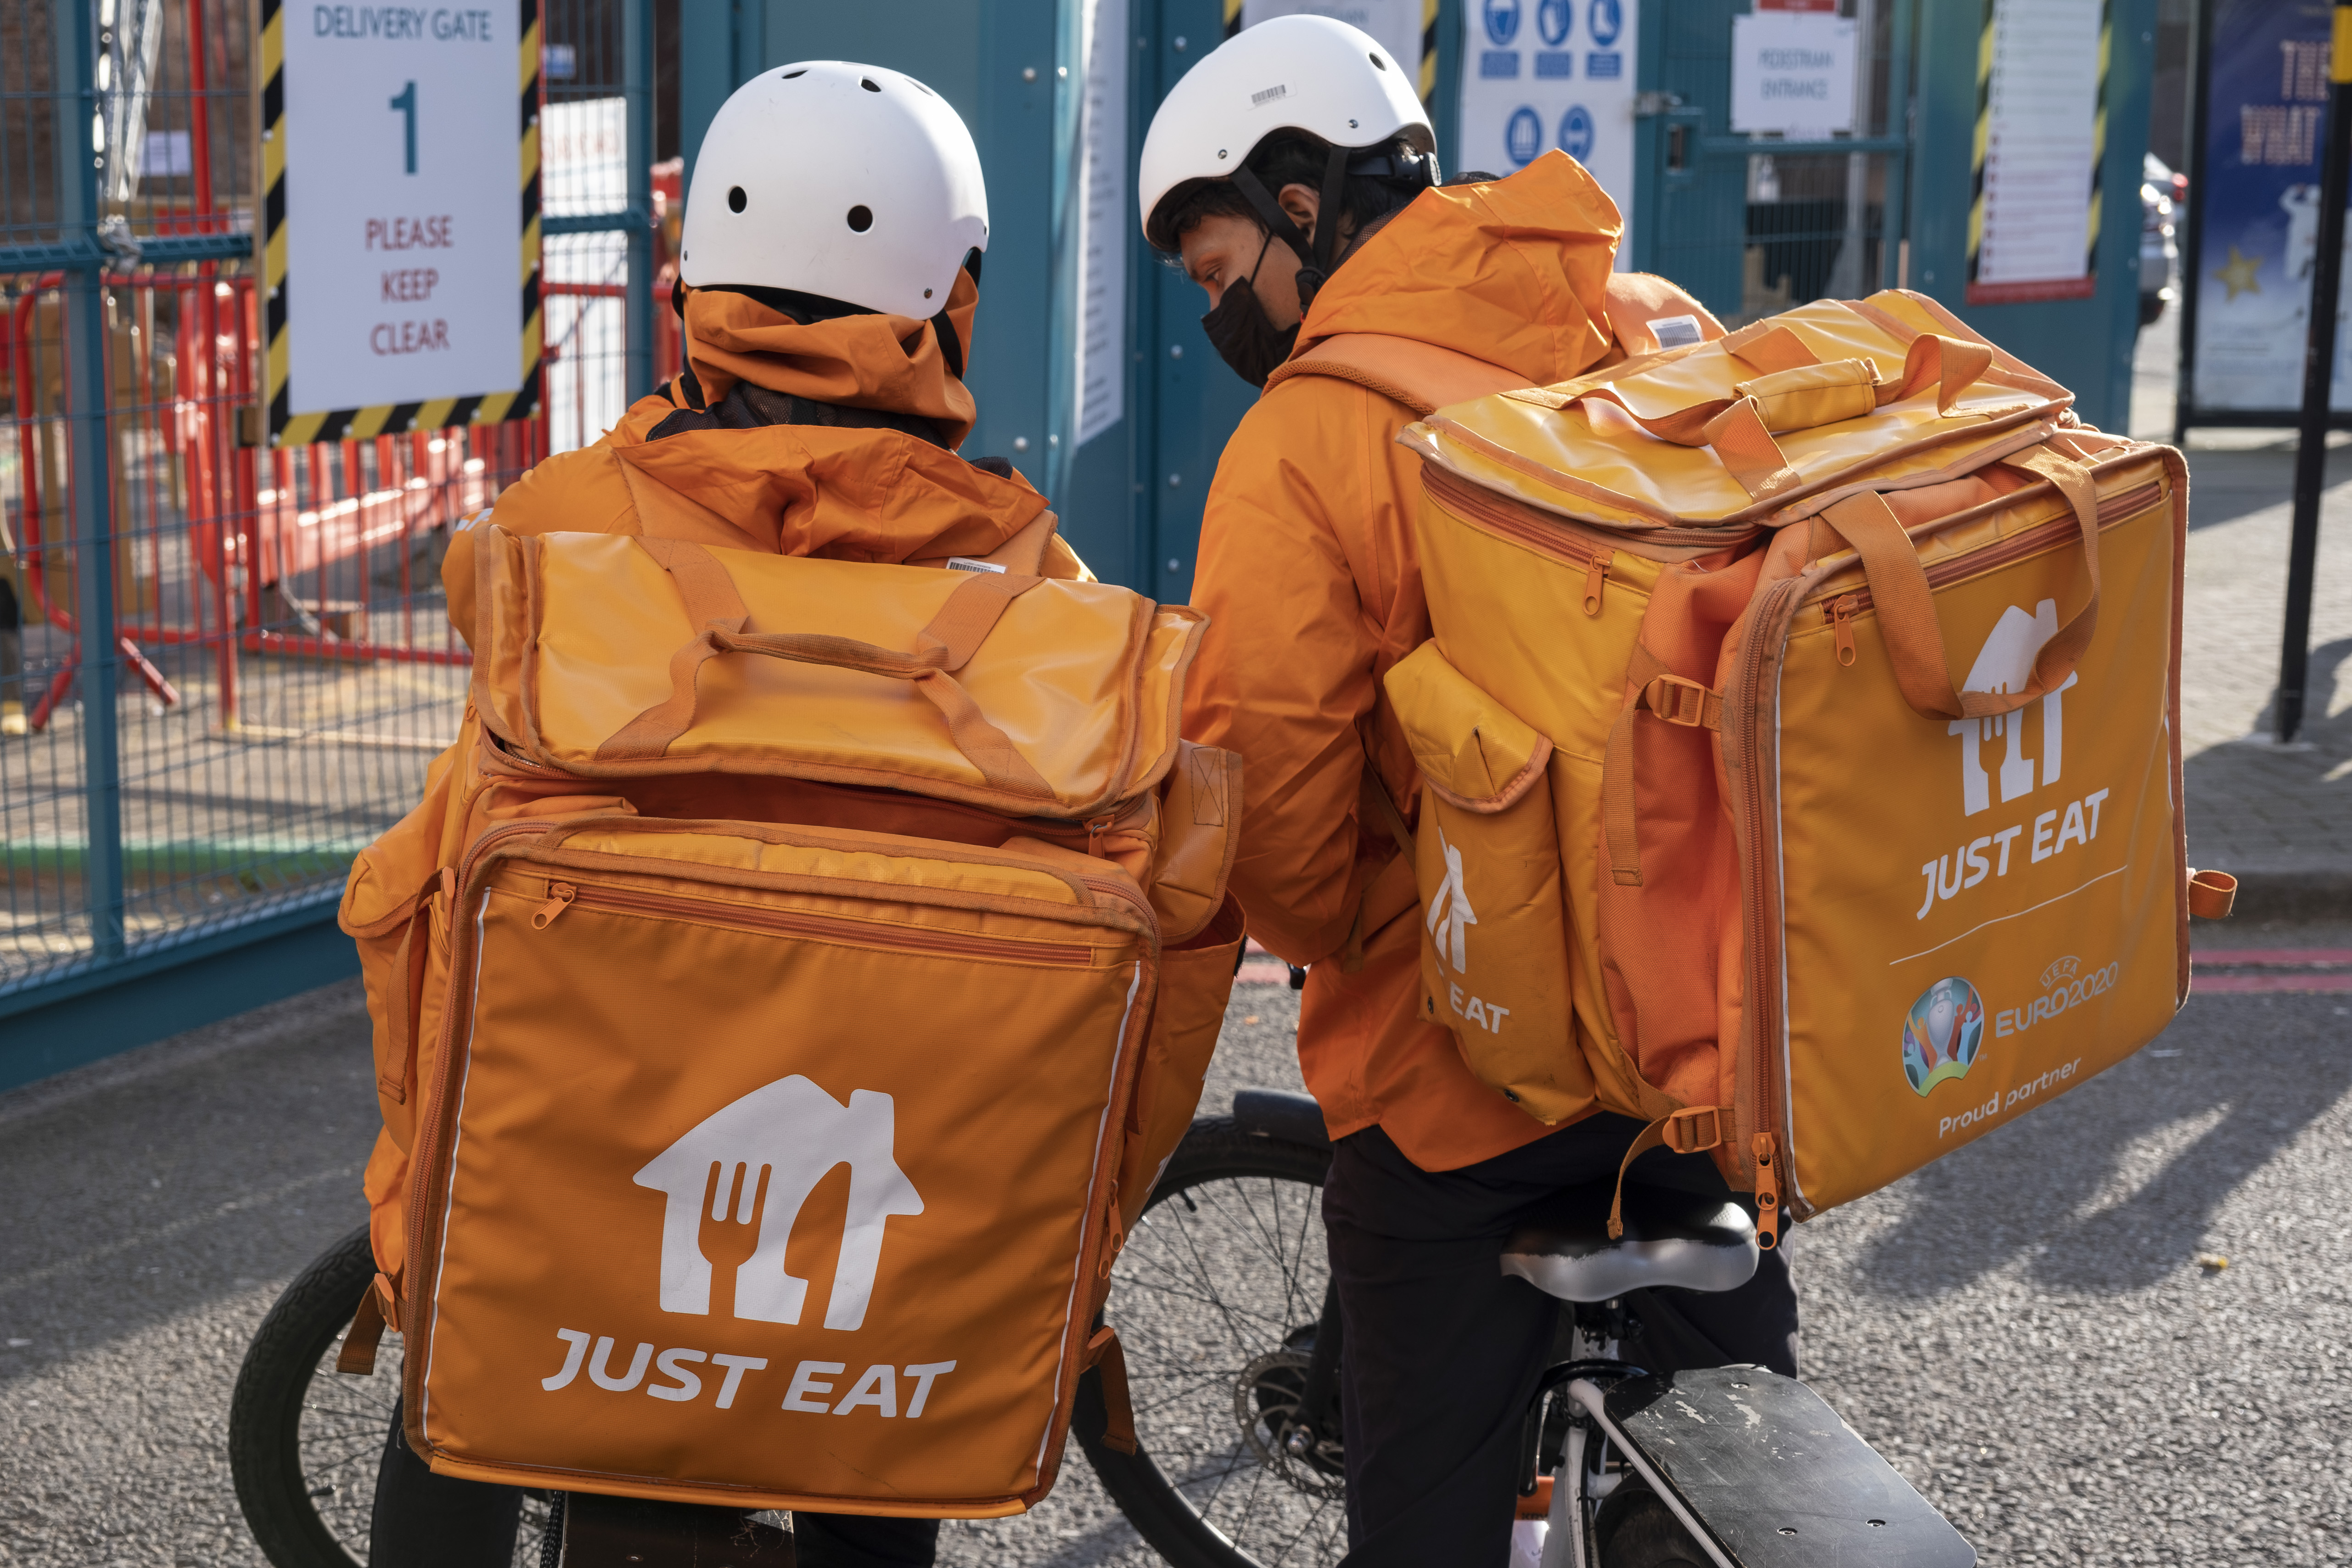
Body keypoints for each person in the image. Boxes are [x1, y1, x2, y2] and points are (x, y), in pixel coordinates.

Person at [361, 61, 1077, 1568]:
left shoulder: (557, 528)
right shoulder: (1028, 587)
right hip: (872, 1264)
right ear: (949, 295)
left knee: (467, 1360)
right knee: (874, 1466)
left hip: (583, 1193)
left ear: (698, 288)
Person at [1137, 16, 1802, 1564]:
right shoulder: (1651, 326)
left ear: (1299, 203)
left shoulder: (1303, 442)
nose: (1218, 305)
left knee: (1423, 1517)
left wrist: (1417, 915)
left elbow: (1280, 839)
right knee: (1745, 1486)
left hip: (1456, 1086)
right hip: (1699, 1040)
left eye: (1215, 259)